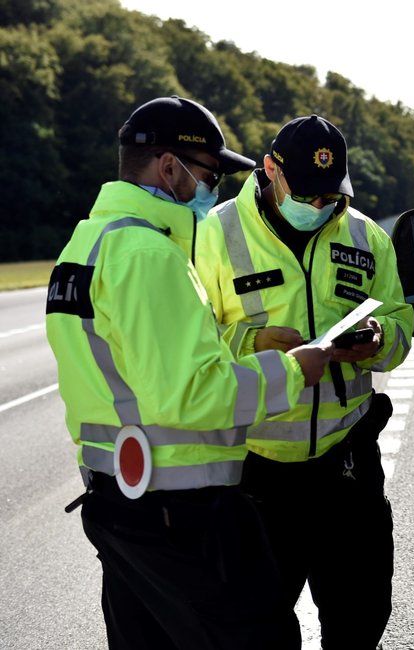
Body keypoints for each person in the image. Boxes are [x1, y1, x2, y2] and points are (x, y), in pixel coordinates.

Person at [45, 95, 332, 650]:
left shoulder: (86, 243)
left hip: (119, 504)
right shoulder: (149, 255)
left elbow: (139, 375)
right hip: (181, 516)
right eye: (210, 176)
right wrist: (294, 369)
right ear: (169, 167)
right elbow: (195, 396)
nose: (215, 192)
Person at [195, 114, 414, 650]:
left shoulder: (367, 236)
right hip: (254, 473)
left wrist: (380, 337)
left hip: (347, 466)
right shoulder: (215, 235)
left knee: (360, 617)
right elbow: (189, 343)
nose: (319, 207)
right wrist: (251, 344)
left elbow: (402, 322)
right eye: (308, 194)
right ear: (270, 170)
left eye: (331, 196)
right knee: (255, 629)